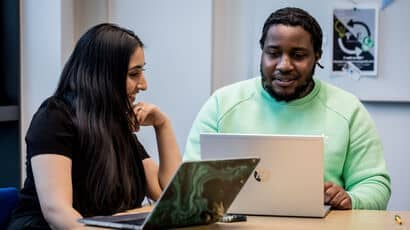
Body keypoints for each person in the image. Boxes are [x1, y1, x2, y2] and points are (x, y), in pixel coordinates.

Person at [184, 7, 391, 210]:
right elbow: (190, 182)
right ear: (262, 51)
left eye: (298, 55)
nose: (284, 65)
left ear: (317, 56)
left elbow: (375, 185)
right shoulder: (222, 104)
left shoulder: (348, 109)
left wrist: (351, 199)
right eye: (273, 53)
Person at [7, 23, 182, 229]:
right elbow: (57, 212)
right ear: (104, 75)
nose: (144, 84)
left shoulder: (115, 122)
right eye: (134, 74)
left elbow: (169, 197)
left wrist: (163, 125)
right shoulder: (54, 117)